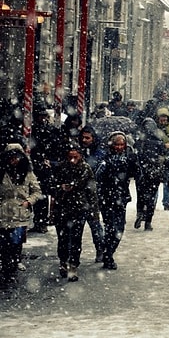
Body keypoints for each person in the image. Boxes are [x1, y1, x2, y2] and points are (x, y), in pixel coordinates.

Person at [52, 143, 98, 281]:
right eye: (70, 157)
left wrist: (94, 210)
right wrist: (60, 188)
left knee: (76, 238)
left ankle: (73, 265)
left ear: (80, 156)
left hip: (79, 208)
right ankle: (63, 262)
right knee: (63, 237)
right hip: (62, 207)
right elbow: (51, 185)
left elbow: (92, 191)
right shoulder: (61, 168)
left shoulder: (85, 169)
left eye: (75, 157)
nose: (72, 160)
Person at [94, 132, 141, 270]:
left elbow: (137, 174)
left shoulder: (128, 157)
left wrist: (134, 161)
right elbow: (98, 176)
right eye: (117, 144)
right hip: (106, 197)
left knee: (119, 228)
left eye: (122, 144)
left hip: (121, 197)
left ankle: (108, 250)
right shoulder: (104, 158)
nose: (119, 147)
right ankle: (108, 255)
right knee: (110, 227)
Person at [0, 143, 43, 283]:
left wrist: (28, 202)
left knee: (15, 243)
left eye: (16, 157)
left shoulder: (27, 173)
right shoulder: (2, 172)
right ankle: (7, 269)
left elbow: (37, 192)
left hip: (20, 214)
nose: (14, 160)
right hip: (3, 214)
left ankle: (13, 265)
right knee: (4, 244)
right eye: (11, 158)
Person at [29, 105, 61, 233]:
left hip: (43, 164)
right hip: (38, 163)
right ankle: (40, 221)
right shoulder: (35, 130)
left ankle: (41, 221)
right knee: (39, 195)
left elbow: (52, 146)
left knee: (42, 194)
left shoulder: (45, 130)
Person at [78, 126, 106, 262]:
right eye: (83, 137)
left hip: (93, 196)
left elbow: (99, 172)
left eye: (87, 138)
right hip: (77, 196)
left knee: (95, 225)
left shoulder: (99, 154)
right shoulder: (77, 151)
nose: (85, 140)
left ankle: (100, 249)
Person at [133, 118, 166, 231]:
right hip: (154, 173)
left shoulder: (140, 141)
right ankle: (148, 222)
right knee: (151, 197)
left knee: (140, 196)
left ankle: (140, 213)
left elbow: (135, 155)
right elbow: (163, 157)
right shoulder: (159, 141)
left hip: (141, 172)